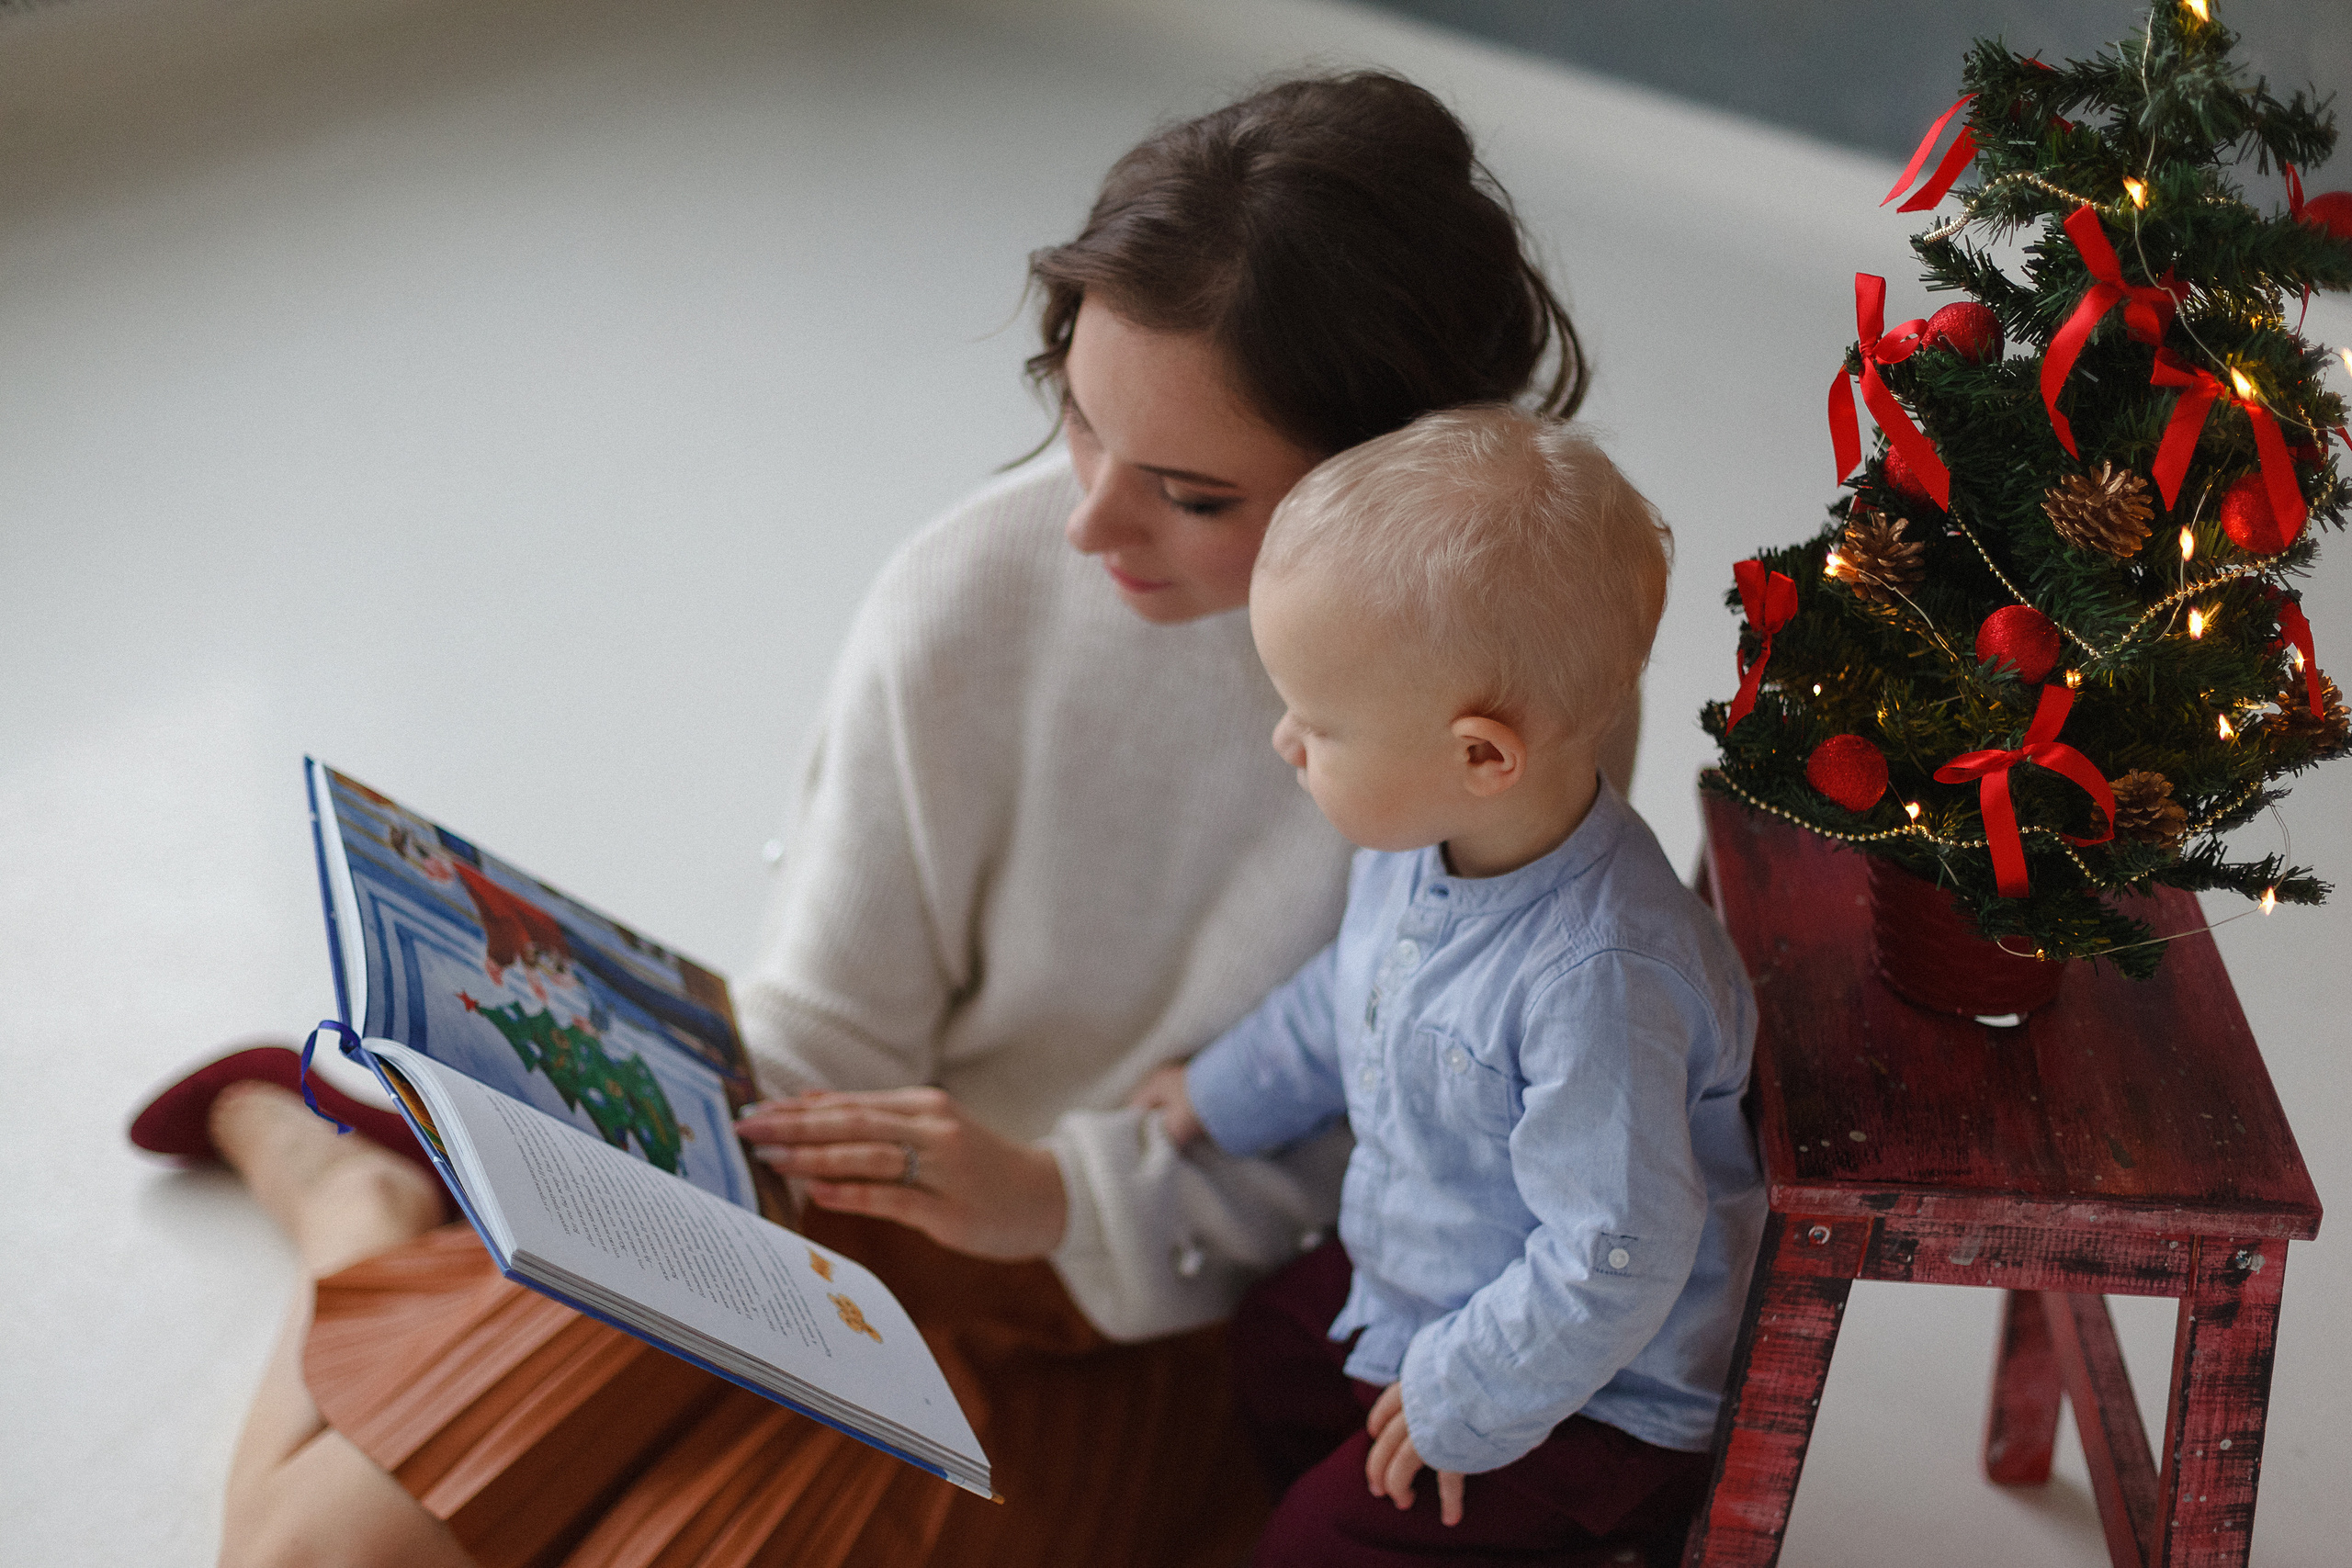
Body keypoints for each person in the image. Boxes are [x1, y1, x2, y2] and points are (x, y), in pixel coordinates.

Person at [138, 72, 1649, 1568]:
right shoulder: (974, 593)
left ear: (1388, 478)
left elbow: (1416, 1140)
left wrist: (1050, 1196)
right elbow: (827, 1021)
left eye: (1191, 494)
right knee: (310, 1556)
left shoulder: (1508, 692)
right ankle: (365, 1204)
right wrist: (653, 1141)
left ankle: (386, 1231)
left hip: (1124, 1296)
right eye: (1080, 420)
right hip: (832, 1198)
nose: (1090, 524)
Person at [1131, 406, 1765, 1565]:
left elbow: (1614, 1256)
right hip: (1442, 1270)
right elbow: (1343, 1002)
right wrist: (1214, 1095)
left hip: (1598, 1392)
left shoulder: (1601, 977)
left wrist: (1459, 1400)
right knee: (1272, 1346)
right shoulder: (1415, 850)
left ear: (1481, 755)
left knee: (1312, 1545)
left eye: (1318, 723)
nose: (1285, 741)